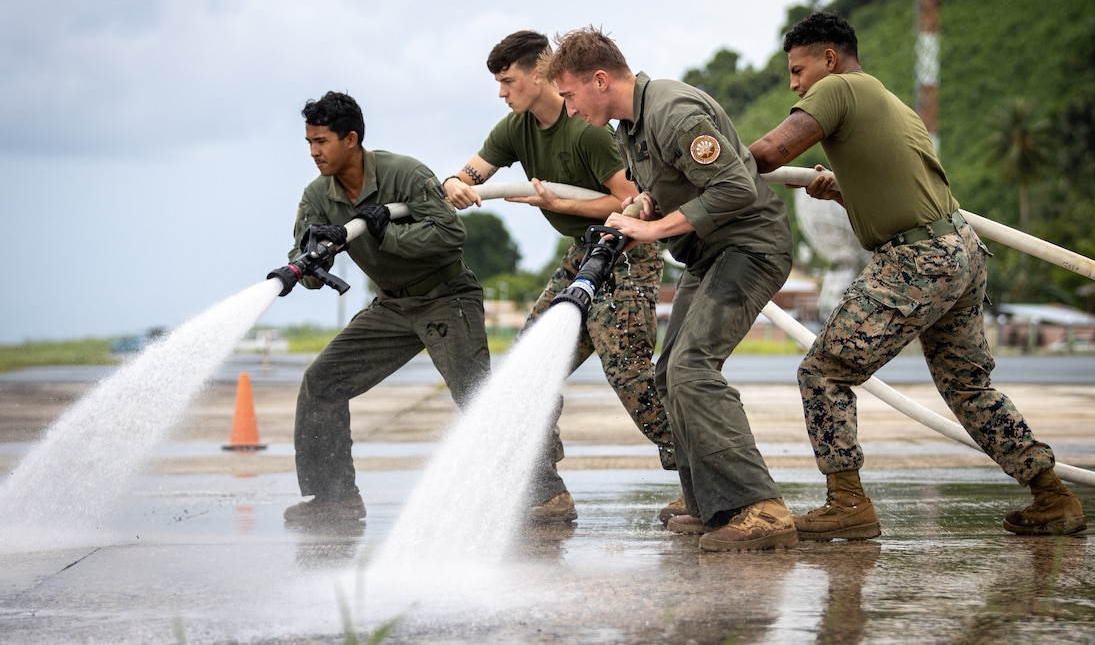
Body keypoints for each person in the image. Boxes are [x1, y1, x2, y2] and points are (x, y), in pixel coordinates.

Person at [749, 11, 1086, 539]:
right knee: (968, 387)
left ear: (829, 60)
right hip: (960, 250)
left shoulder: (837, 89)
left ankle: (848, 504)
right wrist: (841, 189)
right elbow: (905, 184)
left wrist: (706, 171)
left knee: (824, 371)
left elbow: (769, 152)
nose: (795, 84)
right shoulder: (887, 100)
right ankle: (1053, 496)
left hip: (918, 258)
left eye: (798, 70)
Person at [541, 27, 798, 552]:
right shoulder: (629, 128)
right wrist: (637, 210)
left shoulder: (673, 111)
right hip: (708, 255)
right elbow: (663, 189)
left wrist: (652, 231)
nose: (568, 111)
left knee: (691, 368)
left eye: (568, 96)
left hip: (749, 248)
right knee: (668, 372)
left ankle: (761, 509)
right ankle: (709, 504)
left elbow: (736, 185)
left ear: (599, 79)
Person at [442, 30, 678, 524]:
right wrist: (454, 183)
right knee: (524, 372)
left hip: (626, 251)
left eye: (508, 81)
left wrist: (558, 202)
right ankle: (545, 492)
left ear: (539, 72)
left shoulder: (587, 130)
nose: (503, 93)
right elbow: (471, 172)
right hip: (583, 252)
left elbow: (631, 201)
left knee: (631, 377)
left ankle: (706, 482)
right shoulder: (515, 128)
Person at [272, 91, 491, 525]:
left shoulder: (404, 173)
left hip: (445, 296)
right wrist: (314, 258)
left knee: (480, 398)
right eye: (309, 143)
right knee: (322, 383)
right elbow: (311, 274)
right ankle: (335, 499)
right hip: (392, 307)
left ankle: (541, 495)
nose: (314, 152)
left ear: (350, 139)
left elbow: (451, 235)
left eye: (322, 141)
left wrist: (384, 235)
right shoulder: (317, 196)